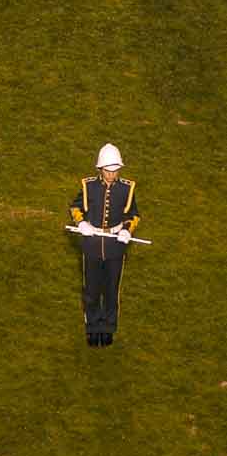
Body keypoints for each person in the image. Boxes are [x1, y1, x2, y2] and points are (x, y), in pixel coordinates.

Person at [69, 144, 141, 347]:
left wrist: (127, 230)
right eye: (108, 170)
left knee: (111, 290)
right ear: (100, 169)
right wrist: (81, 223)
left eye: (115, 170)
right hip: (92, 245)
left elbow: (133, 215)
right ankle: (92, 327)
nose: (112, 175)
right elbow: (75, 207)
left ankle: (108, 328)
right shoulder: (88, 186)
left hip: (115, 247)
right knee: (91, 290)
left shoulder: (127, 188)